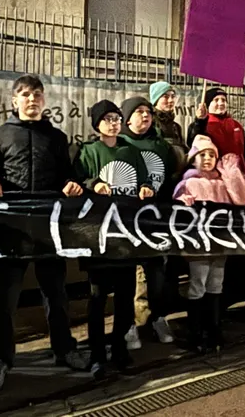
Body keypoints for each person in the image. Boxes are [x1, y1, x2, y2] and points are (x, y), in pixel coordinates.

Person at [0, 74, 88, 391]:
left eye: (37, 94)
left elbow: (68, 175)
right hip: (10, 231)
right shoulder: (0, 135)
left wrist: (71, 184)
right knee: (4, 300)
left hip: (47, 230)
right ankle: (0, 359)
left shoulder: (57, 138)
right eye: (25, 94)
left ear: (44, 100)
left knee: (57, 294)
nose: (31, 99)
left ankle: (64, 349)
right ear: (14, 100)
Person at [75, 99, 155, 379]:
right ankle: (97, 353)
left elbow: (144, 179)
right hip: (98, 235)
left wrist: (145, 188)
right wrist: (92, 184)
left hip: (125, 236)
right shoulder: (87, 151)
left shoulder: (130, 151)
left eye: (117, 118)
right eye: (108, 119)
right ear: (97, 123)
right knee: (97, 297)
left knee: (124, 296)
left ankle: (119, 345)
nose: (114, 123)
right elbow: (77, 180)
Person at [173, 135, 245, 353]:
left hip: (220, 242)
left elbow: (243, 199)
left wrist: (232, 174)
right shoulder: (188, 182)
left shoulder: (221, 183)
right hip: (198, 244)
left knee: (216, 282)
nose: (207, 159)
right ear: (193, 159)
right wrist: (182, 202)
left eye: (211, 155)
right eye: (202, 155)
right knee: (198, 282)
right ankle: (196, 332)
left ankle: (214, 329)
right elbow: (177, 211)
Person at [119, 96, 176, 348]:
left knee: (156, 271)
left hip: (156, 217)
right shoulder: (120, 143)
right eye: (139, 111)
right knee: (131, 273)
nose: (145, 116)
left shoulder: (160, 145)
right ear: (126, 118)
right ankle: (131, 322)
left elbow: (171, 177)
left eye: (148, 112)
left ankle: (158, 317)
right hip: (128, 218)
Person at [186, 87, 245, 172]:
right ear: (207, 104)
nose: (221, 103)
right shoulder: (202, 124)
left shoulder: (236, 125)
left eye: (223, 100)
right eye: (216, 100)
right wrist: (199, 121)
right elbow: (193, 142)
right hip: (215, 174)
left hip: (239, 173)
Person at [149, 81, 187, 171]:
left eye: (173, 96)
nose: (170, 100)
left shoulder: (176, 127)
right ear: (156, 100)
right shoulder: (150, 123)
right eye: (165, 97)